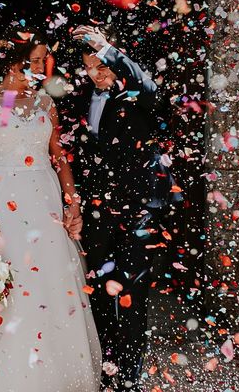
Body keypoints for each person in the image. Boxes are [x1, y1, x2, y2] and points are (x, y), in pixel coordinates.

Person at [0, 25, 102, 391]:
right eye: (36, 61)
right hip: (1, 203)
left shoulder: (46, 103)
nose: (44, 68)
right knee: (6, 283)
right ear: (13, 62)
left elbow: (59, 157)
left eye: (44, 61)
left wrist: (72, 203)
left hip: (44, 202)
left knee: (50, 283)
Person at [69, 24, 182, 390]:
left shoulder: (139, 93)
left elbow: (152, 90)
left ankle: (130, 378)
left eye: (103, 65)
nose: (97, 73)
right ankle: (105, 368)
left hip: (140, 211)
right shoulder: (80, 99)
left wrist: (108, 50)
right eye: (90, 66)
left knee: (132, 294)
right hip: (99, 212)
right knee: (100, 292)